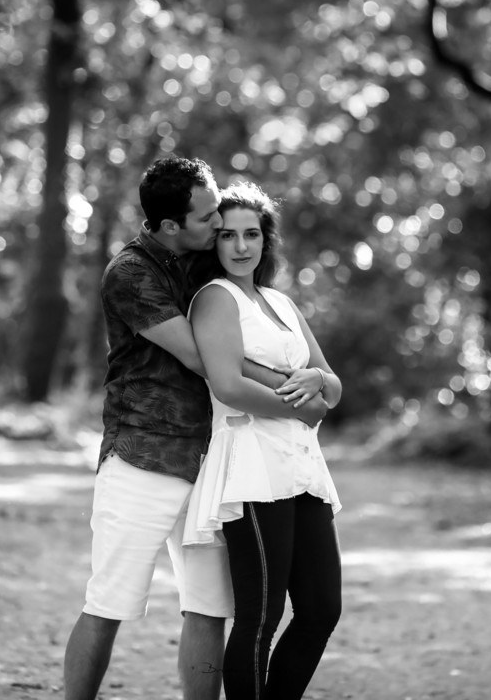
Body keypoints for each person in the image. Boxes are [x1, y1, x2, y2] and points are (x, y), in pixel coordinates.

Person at [63, 157, 328, 700]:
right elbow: (203, 357)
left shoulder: (205, 260)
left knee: (209, 608)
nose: (218, 223)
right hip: (145, 456)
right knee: (109, 602)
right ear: (170, 226)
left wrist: (315, 377)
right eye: (208, 218)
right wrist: (293, 386)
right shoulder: (131, 273)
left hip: (213, 461)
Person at [183, 182, 343, 700]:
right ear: (213, 241)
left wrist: (318, 381)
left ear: (265, 239)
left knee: (321, 608)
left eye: (251, 234)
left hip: (302, 468)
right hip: (252, 465)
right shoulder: (214, 298)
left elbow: (332, 385)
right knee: (260, 616)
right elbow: (228, 386)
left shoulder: (281, 302)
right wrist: (306, 404)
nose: (240, 246)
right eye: (227, 235)